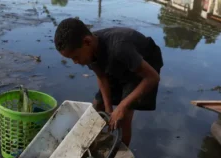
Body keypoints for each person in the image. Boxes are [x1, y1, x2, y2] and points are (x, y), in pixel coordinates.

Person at [54, 18, 164, 147]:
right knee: (97, 107)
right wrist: (108, 109)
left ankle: (120, 157)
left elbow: (153, 78)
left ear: (87, 42)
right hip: (118, 62)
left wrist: (122, 106)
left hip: (144, 65)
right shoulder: (89, 49)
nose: (75, 62)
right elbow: (102, 77)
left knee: (122, 117)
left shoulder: (119, 47)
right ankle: (90, 144)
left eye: (76, 57)